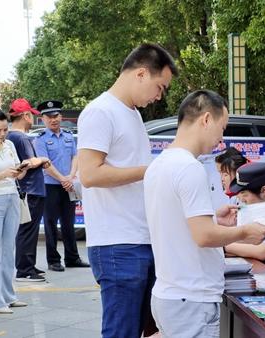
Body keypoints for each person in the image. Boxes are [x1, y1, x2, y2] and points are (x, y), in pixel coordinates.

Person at [144, 89, 265, 338]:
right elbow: (203, 236)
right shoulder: (190, 168)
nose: (221, 140)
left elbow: (177, 221)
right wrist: (245, 230)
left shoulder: (159, 164)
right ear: (206, 120)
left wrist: (213, 217)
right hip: (190, 300)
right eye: (222, 128)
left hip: (170, 294)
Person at [77, 43, 178, 338]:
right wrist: (151, 171)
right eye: (160, 87)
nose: (159, 96)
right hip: (116, 244)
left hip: (140, 239)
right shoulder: (100, 112)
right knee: (121, 332)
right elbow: (90, 173)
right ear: (142, 74)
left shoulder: (132, 114)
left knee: (144, 330)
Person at [0, 109, 30, 313]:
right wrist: (2, 174)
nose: (2, 134)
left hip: (11, 197)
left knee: (9, 249)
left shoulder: (9, 145)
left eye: (5, 130)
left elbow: (16, 171)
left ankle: (8, 296)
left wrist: (23, 168)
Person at [34, 100, 89, 272]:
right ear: (43, 119)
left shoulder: (68, 136)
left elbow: (75, 157)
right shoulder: (40, 140)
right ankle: (53, 260)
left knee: (68, 223)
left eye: (56, 115)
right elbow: (45, 164)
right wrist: (63, 179)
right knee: (50, 224)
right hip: (50, 186)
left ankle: (72, 258)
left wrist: (71, 176)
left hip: (68, 184)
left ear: (61, 116)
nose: (53, 119)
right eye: (49, 117)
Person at [7, 98, 53, 282]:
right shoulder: (22, 137)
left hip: (26, 190)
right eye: (31, 115)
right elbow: (27, 162)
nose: (32, 119)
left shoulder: (10, 137)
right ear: (25, 115)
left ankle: (28, 265)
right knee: (28, 230)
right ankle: (25, 269)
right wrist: (41, 159)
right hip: (31, 190)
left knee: (28, 230)